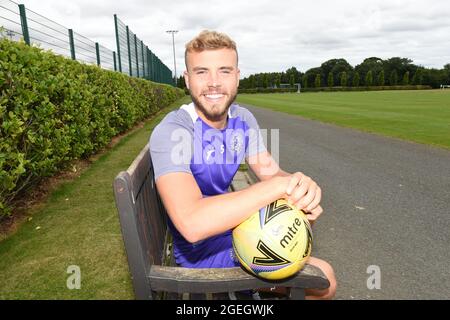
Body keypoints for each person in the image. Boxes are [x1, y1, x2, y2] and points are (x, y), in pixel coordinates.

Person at [149, 30, 336, 300]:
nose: (214, 83)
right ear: (188, 80)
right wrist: (278, 187)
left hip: (233, 230)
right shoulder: (173, 130)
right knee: (324, 280)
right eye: (202, 72)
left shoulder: (242, 118)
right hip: (202, 256)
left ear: (237, 76)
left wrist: (298, 185)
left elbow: (271, 172)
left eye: (224, 71)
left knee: (318, 274)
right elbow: (192, 223)